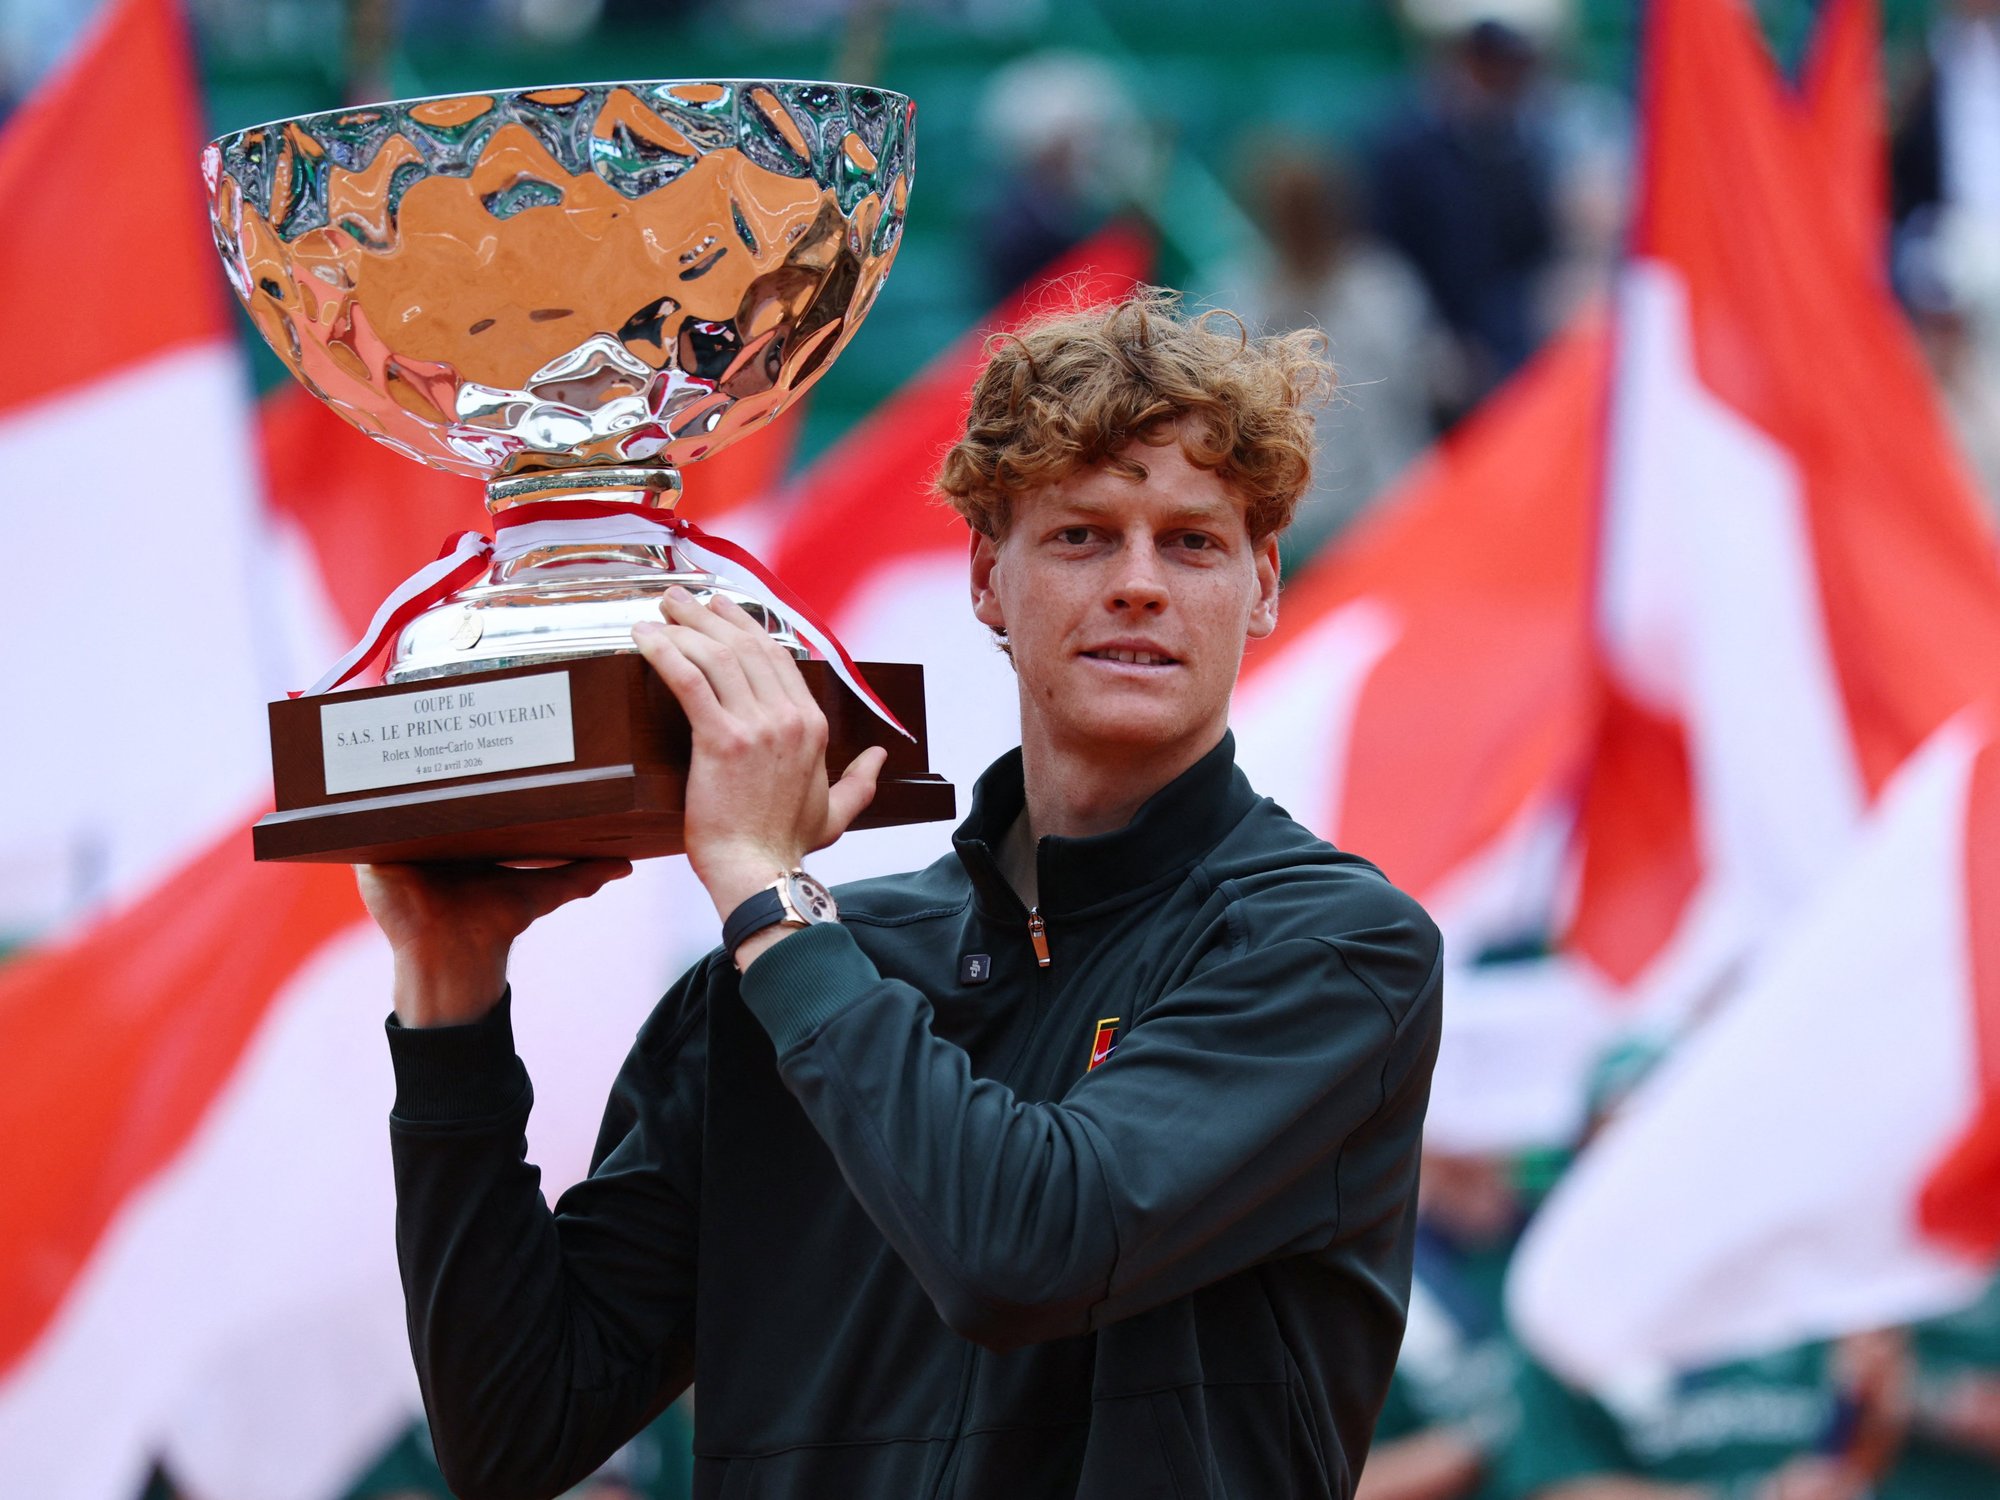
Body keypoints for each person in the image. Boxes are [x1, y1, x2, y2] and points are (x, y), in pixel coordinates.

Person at [360, 290, 1444, 1500]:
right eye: (1081, 534)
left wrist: (772, 899)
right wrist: (448, 1002)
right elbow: (514, 1433)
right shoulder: (790, 977)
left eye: (1191, 541)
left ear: (1261, 588)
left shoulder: (1334, 946)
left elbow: (1023, 1253)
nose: (1139, 583)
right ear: (988, 577)